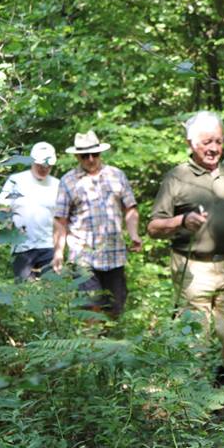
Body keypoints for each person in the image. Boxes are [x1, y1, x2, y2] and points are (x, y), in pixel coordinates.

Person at [147, 111, 224, 387]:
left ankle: (223, 380)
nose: (214, 148)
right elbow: (153, 227)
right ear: (190, 143)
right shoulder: (176, 178)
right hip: (193, 266)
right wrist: (182, 221)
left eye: (219, 142)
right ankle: (194, 395)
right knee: (194, 338)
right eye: (207, 141)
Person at [52, 130, 142, 318]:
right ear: (77, 156)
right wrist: (59, 252)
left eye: (95, 154)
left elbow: (130, 209)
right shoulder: (68, 181)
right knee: (91, 309)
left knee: (115, 308)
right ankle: (92, 344)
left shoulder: (116, 175)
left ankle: (109, 344)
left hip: (114, 254)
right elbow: (61, 220)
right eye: (85, 155)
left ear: (101, 153)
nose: (91, 159)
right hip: (83, 256)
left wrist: (134, 234)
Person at [0, 141, 59, 282]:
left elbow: (60, 220)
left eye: (48, 165)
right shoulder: (16, 181)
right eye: (41, 164)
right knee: (24, 293)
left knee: (50, 293)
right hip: (23, 247)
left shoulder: (57, 185)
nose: (44, 168)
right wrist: (8, 229)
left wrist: (59, 250)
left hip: (48, 247)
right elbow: (3, 209)